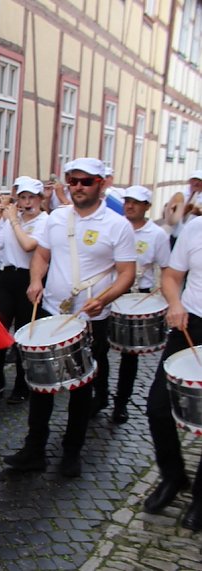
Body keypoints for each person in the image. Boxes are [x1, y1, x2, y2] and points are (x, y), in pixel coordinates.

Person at [4, 157, 136, 477]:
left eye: (86, 181)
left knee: (80, 387)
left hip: (92, 319)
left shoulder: (117, 225)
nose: (78, 187)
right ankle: (34, 448)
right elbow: (42, 255)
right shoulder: (56, 218)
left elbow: (127, 274)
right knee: (40, 384)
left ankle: (71, 452)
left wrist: (103, 299)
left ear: (101, 184)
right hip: (51, 312)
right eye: (72, 181)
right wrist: (36, 280)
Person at [144, 214, 202, 530]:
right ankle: (173, 475)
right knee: (157, 408)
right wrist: (175, 303)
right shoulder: (195, 228)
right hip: (189, 325)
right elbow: (171, 276)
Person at [0, 177, 48, 405]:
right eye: (22, 197)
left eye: (31, 198)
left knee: (25, 334)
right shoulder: (9, 219)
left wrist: (14, 220)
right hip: (1, 276)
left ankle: (22, 385)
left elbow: (28, 245)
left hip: (26, 277)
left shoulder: (45, 221)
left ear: (39, 199)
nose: (26, 202)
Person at [112, 185, 170, 424]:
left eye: (136, 202)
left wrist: (162, 298)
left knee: (130, 354)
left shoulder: (157, 235)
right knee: (99, 348)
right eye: (127, 201)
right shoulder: (115, 226)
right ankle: (98, 397)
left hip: (138, 295)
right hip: (111, 292)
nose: (129, 205)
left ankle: (121, 403)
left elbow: (166, 269)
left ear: (147, 206)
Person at [165, 170, 202, 248]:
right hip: (177, 236)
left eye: (199, 181)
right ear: (190, 181)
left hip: (195, 240)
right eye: (194, 180)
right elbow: (170, 216)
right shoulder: (180, 195)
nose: (196, 183)